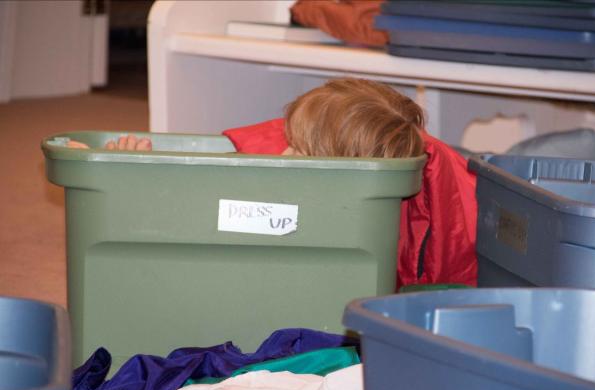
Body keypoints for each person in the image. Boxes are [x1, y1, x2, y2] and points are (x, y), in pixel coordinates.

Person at [68, 78, 478, 287]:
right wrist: (132, 171)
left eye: (298, 149)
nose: (282, 154)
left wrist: (135, 184)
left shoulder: (339, 227)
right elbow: (207, 195)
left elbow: (207, 232)